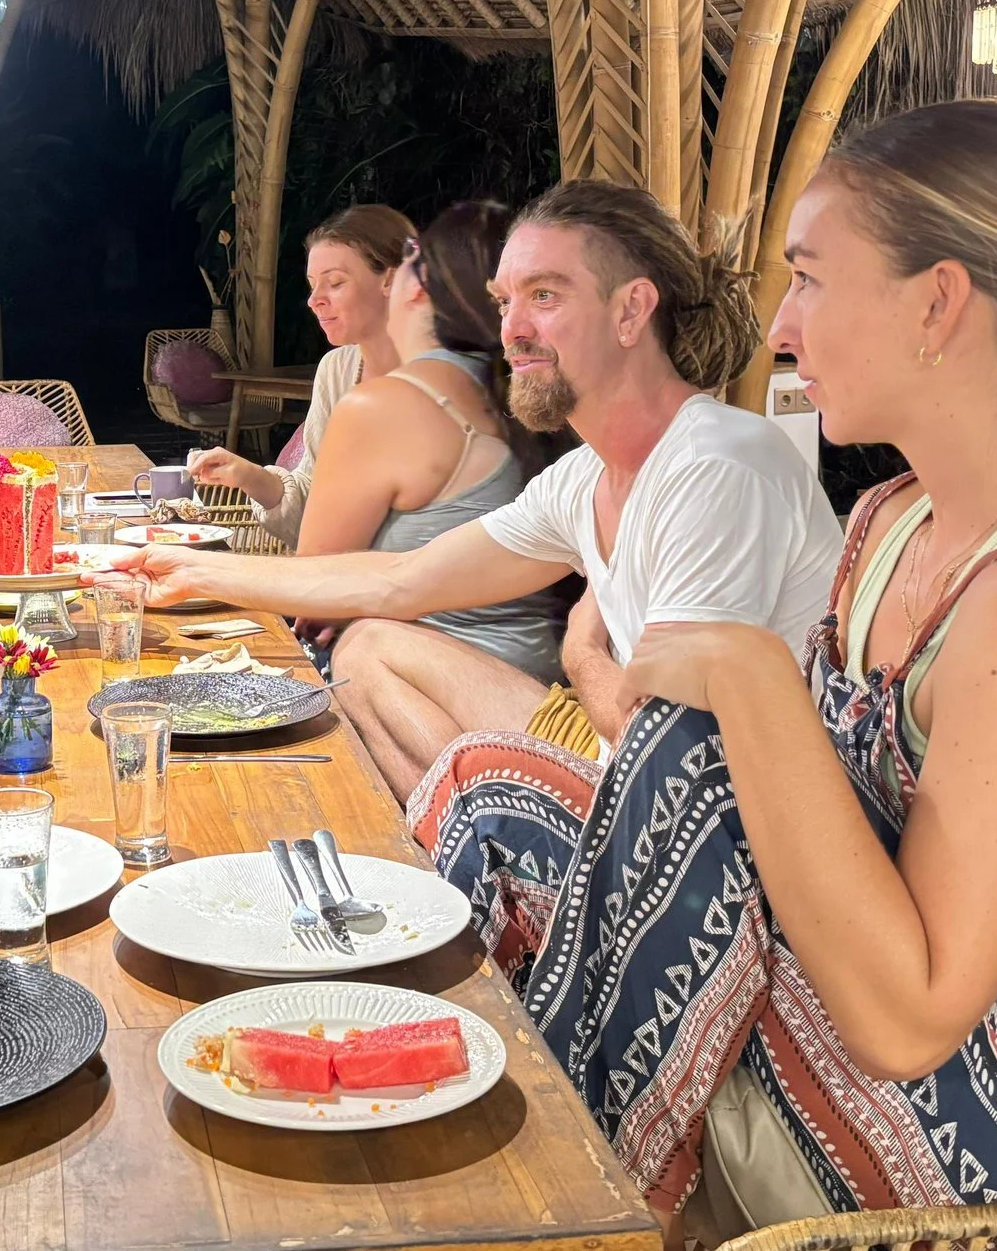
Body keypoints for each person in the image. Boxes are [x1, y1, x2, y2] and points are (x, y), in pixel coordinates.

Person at [228, 98, 997, 1251]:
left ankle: (601, 1231)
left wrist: (751, 681)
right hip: (914, 1036)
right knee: (496, 783)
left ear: (939, 303)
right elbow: (766, 820)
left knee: (703, 734)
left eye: (812, 276)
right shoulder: (891, 518)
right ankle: (456, 1186)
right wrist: (674, 699)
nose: (780, 325)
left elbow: (906, 1013)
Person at [121, 179, 842, 800]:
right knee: (369, 647)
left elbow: (667, 749)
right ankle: (477, 866)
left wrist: (582, 652)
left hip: (703, 825)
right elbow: (403, 580)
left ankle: (499, 876)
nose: (513, 330)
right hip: (617, 754)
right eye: (503, 302)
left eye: (545, 295)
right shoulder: (588, 475)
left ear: (632, 310)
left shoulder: (715, 465)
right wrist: (189, 570)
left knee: (372, 664)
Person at [294, 200, 567, 698]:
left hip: (443, 685)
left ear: (414, 285)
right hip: (539, 676)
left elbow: (313, 591)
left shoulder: (385, 406)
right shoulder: (515, 388)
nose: (316, 300)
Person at [189, 204, 413, 546]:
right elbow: (314, 509)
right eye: (313, 285)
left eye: (335, 282)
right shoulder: (338, 370)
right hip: (339, 580)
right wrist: (249, 476)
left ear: (392, 279)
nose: (314, 300)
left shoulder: (447, 377)